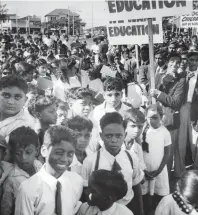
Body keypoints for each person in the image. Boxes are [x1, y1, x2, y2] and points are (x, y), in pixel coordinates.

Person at [82, 112, 144, 215]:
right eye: (109, 136)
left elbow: (136, 186)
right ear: (101, 136)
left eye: (118, 135)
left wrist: (140, 210)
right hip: (100, 209)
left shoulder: (132, 157)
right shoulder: (90, 161)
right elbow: (85, 191)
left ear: (125, 134)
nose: (114, 140)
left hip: (127, 207)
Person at [15, 125, 83, 215]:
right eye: (59, 153)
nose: (64, 159)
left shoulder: (76, 181)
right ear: (44, 150)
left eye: (70, 154)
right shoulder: (28, 189)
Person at [150, 53, 186, 178]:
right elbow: (150, 92)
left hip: (171, 121)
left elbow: (176, 102)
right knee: (155, 149)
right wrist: (163, 84)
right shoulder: (158, 75)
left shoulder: (181, 80)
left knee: (168, 152)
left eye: (178, 62)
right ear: (168, 61)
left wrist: (160, 94)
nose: (174, 64)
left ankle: (167, 179)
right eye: (172, 61)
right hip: (156, 118)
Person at [1, 126, 42, 215]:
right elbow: (6, 210)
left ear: (37, 151)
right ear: (12, 153)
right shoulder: (11, 180)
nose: (23, 158)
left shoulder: (39, 166)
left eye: (28, 152)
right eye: (18, 153)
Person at [141, 105, 172, 214]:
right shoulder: (144, 130)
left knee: (158, 196)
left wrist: (158, 170)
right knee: (145, 196)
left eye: (155, 117)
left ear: (161, 117)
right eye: (149, 118)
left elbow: (167, 153)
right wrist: (143, 169)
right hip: (145, 169)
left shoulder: (165, 132)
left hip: (159, 169)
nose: (151, 120)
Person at [178, 52, 198, 177]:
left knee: (195, 141)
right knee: (181, 141)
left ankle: (196, 170)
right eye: (191, 59)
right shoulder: (181, 73)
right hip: (181, 109)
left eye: (196, 60)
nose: (193, 62)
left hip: (195, 110)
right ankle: (180, 171)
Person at [0, 75, 36, 140]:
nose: (11, 102)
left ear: (25, 100)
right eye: (6, 95)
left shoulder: (27, 124)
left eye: (17, 97)